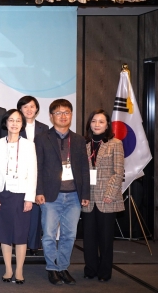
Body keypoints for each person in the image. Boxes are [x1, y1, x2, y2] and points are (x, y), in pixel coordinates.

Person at [35, 99, 90, 286]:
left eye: (67, 112)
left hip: (74, 195)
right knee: (49, 234)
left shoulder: (79, 140)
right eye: (58, 113)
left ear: (71, 115)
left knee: (69, 235)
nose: (63, 116)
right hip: (51, 195)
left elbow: (84, 168)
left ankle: (63, 267)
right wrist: (38, 191)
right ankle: (52, 268)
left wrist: (85, 194)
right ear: (51, 116)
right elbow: (38, 167)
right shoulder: (42, 138)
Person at [0, 109, 37, 285]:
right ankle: (8, 269)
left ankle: (19, 270)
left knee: (20, 234)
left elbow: (33, 172)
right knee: (4, 233)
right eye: (11, 120)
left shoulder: (28, 145)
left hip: (21, 195)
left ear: (22, 124)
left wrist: (29, 198)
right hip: (1, 193)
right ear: (6, 123)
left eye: (18, 120)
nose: (15, 123)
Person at [82, 109, 124, 282]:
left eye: (101, 121)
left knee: (105, 239)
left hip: (107, 198)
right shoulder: (83, 144)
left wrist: (110, 193)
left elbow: (118, 171)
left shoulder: (115, 143)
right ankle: (90, 269)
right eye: (94, 121)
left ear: (107, 125)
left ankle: (105, 272)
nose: (97, 124)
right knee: (89, 238)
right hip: (88, 198)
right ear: (89, 124)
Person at [16, 96, 49, 256]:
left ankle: (34, 244)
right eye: (25, 107)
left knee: (36, 211)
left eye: (32, 106)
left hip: (38, 172)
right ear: (20, 109)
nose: (29, 110)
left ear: (36, 109)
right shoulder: (15, 126)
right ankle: (18, 242)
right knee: (19, 210)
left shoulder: (44, 128)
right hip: (19, 174)